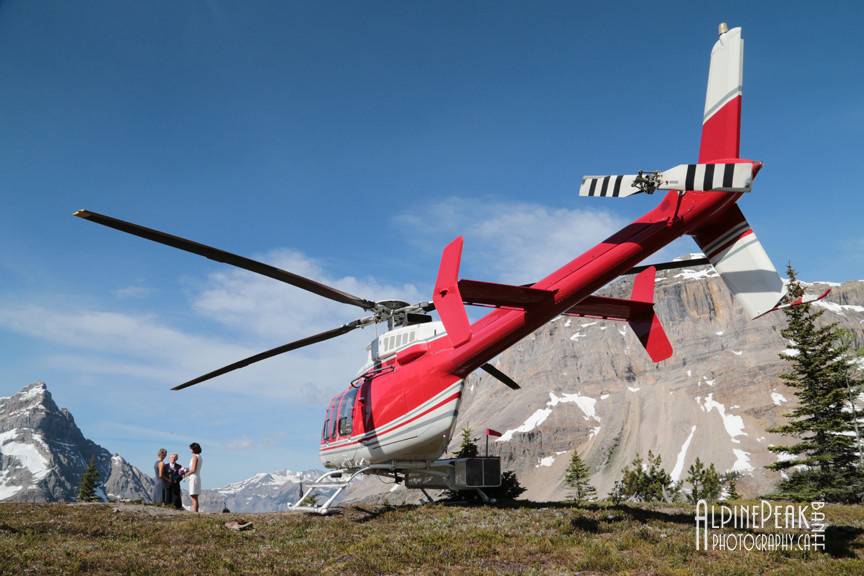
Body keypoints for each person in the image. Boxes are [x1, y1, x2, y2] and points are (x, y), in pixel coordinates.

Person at [186, 442, 203, 512]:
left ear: (193, 449)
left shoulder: (195, 457)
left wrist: (185, 474)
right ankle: (196, 511)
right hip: (197, 476)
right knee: (195, 497)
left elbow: (193, 469)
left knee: (193, 497)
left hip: (193, 477)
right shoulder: (200, 457)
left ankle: (195, 512)